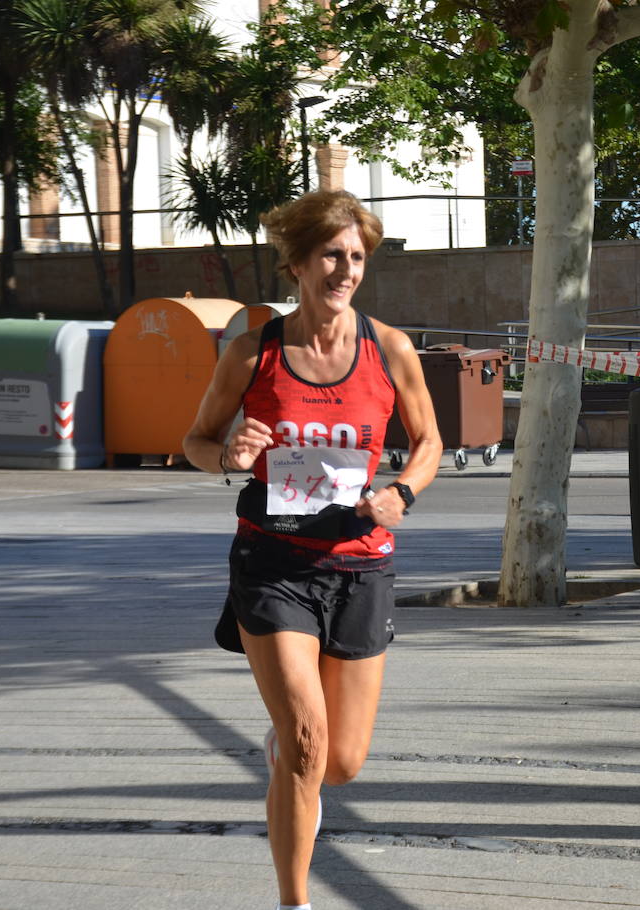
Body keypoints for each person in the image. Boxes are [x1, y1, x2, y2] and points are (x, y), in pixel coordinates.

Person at [182, 190, 441, 910]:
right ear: (296, 262)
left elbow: (429, 444)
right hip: (273, 562)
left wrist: (404, 493)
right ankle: (294, 901)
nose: (346, 269)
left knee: (343, 763)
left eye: (357, 257)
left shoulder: (388, 348)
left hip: (360, 562)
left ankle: (290, 748)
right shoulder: (252, 352)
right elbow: (196, 441)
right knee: (304, 742)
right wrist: (229, 450)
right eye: (332, 254)